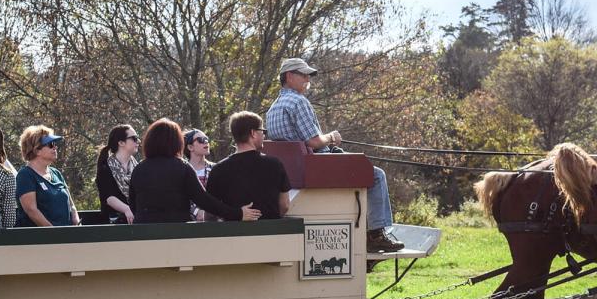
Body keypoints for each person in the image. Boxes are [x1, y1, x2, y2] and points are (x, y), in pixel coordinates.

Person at [265, 57, 403, 252]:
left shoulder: (274, 107)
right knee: (377, 175)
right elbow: (313, 141)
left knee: (359, 164)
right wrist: (331, 136)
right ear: (289, 76)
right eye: (303, 75)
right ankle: (375, 235)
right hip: (314, 165)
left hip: (295, 168)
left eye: (308, 75)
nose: (307, 79)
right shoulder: (298, 102)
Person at [129, 118, 260, 224]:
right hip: (176, 233)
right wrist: (238, 213)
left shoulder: (139, 169)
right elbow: (204, 201)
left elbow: (133, 204)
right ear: (176, 142)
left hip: (143, 233)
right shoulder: (182, 167)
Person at [207, 111, 292, 220]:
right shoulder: (275, 164)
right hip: (270, 232)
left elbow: (210, 212)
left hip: (232, 234)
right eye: (262, 131)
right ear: (253, 133)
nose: (264, 135)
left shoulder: (218, 169)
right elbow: (284, 205)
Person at [16, 126, 81, 227]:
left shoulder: (56, 173)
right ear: (36, 150)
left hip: (67, 237)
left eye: (55, 144)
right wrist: (53, 232)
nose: (55, 147)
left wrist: (77, 225)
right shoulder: (25, 175)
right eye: (50, 144)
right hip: (41, 240)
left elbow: (72, 206)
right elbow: (31, 210)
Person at [94, 124, 139, 223]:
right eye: (134, 138)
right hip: (113, 224)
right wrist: (127, 209)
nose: (138, 142)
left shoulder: (138, 167)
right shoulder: (105, 167)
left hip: (135, 221)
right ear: (121, 142)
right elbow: (109, 198)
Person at [183, 128, 215, 221]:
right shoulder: (181, 171)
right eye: (201, 140)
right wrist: (196, 212)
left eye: (206, 139)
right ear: (190, 147)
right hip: (187, 224)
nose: (206, 142)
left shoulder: (216, 169)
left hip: (213, 224)